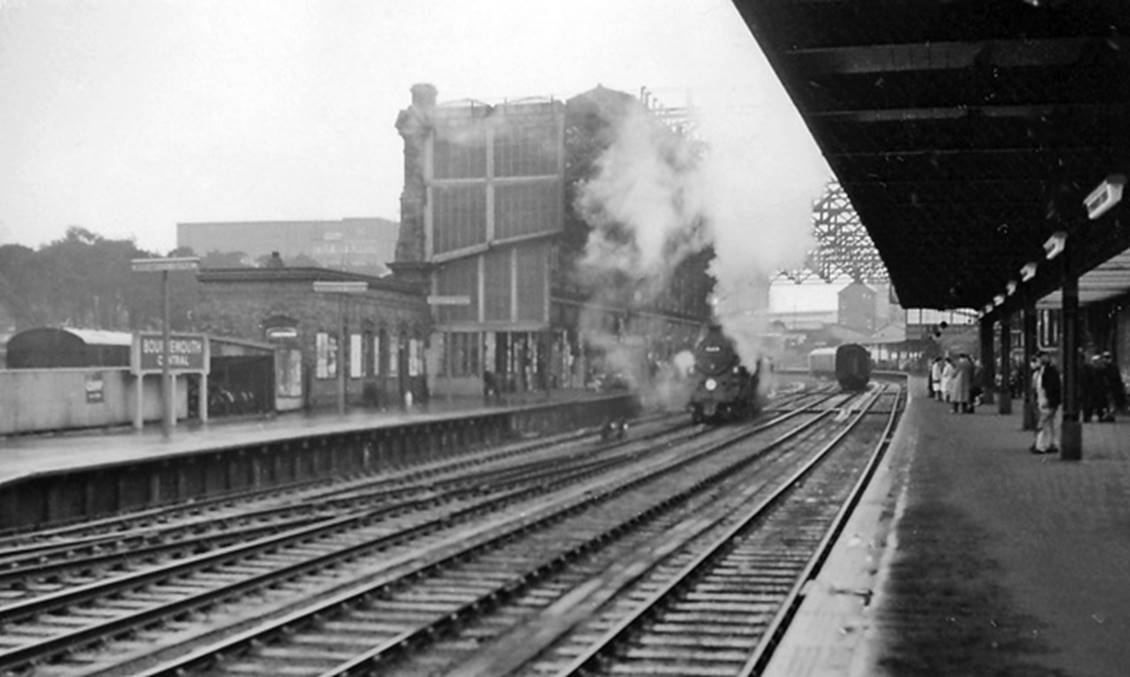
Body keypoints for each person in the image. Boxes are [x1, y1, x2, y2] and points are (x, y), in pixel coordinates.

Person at [1030, 351, 1061, 455]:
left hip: (1046, 402)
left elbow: (1050, 388)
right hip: (1045, 401)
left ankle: (1040, 445)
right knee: (1050, 424)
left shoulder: (1047, 372)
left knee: (1042, 423)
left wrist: (1049, 401)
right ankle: (1052, 444)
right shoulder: (1043, 372)